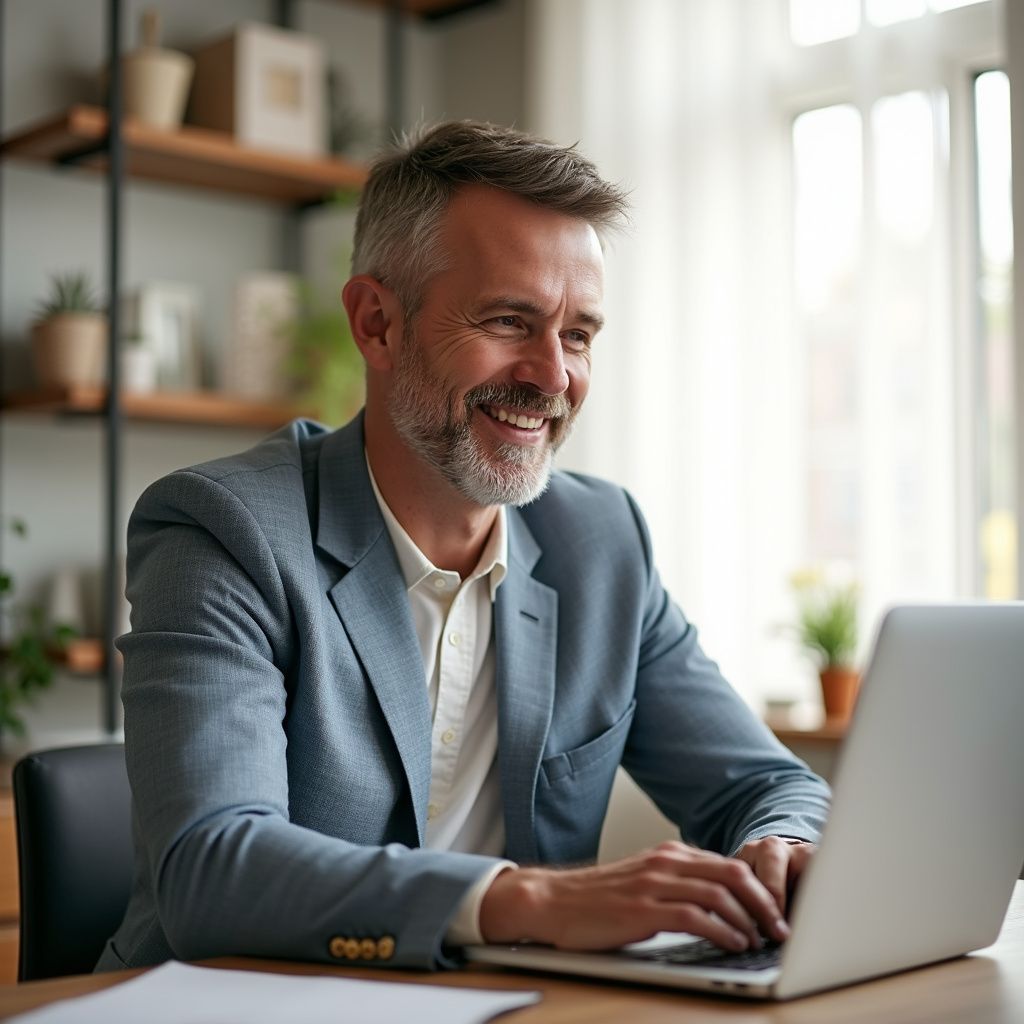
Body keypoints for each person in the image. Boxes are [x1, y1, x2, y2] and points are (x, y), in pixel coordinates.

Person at [98, 121, 830, 973]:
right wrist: (529, 900)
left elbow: (767, 786)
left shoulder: (603, 543)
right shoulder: (223, 530)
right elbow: (212, 871)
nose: (552, 376)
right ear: (377, 323)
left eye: (580, 334)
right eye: (509, 320)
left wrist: (779, 846)